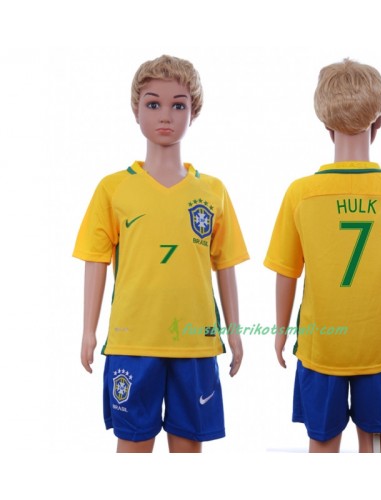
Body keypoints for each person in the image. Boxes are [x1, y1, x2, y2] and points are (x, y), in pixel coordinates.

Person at [73, 55, 249, 453]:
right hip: (132, 342)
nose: (165, 115)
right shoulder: (113, 189)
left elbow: (225, 266)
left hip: (196, 344)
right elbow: (95, 260)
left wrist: (235, 332)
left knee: (188, 449)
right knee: (133, 446)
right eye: (153, 103)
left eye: (178, 105)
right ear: (136, 110)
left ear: (194, 112)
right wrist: (88, 330)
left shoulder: (213, 191)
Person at [264, 58, 381, 453]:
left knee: (322, 444)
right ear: (380, 121)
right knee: (375, 444)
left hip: (320, 347)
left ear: (324, 123)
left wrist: (280, 330)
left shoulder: (301, 194)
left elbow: (286, 271)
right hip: (380, 347)